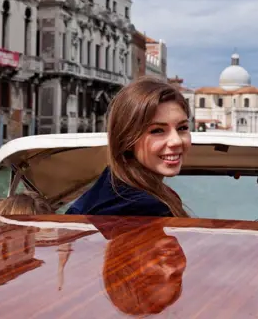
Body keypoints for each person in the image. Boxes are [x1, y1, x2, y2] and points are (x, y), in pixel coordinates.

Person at [66, 77, 192, 217]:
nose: (176, 141)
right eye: (157, 130)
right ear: (127, 139)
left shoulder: (108, 188)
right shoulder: (142, 208)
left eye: (182, 128)